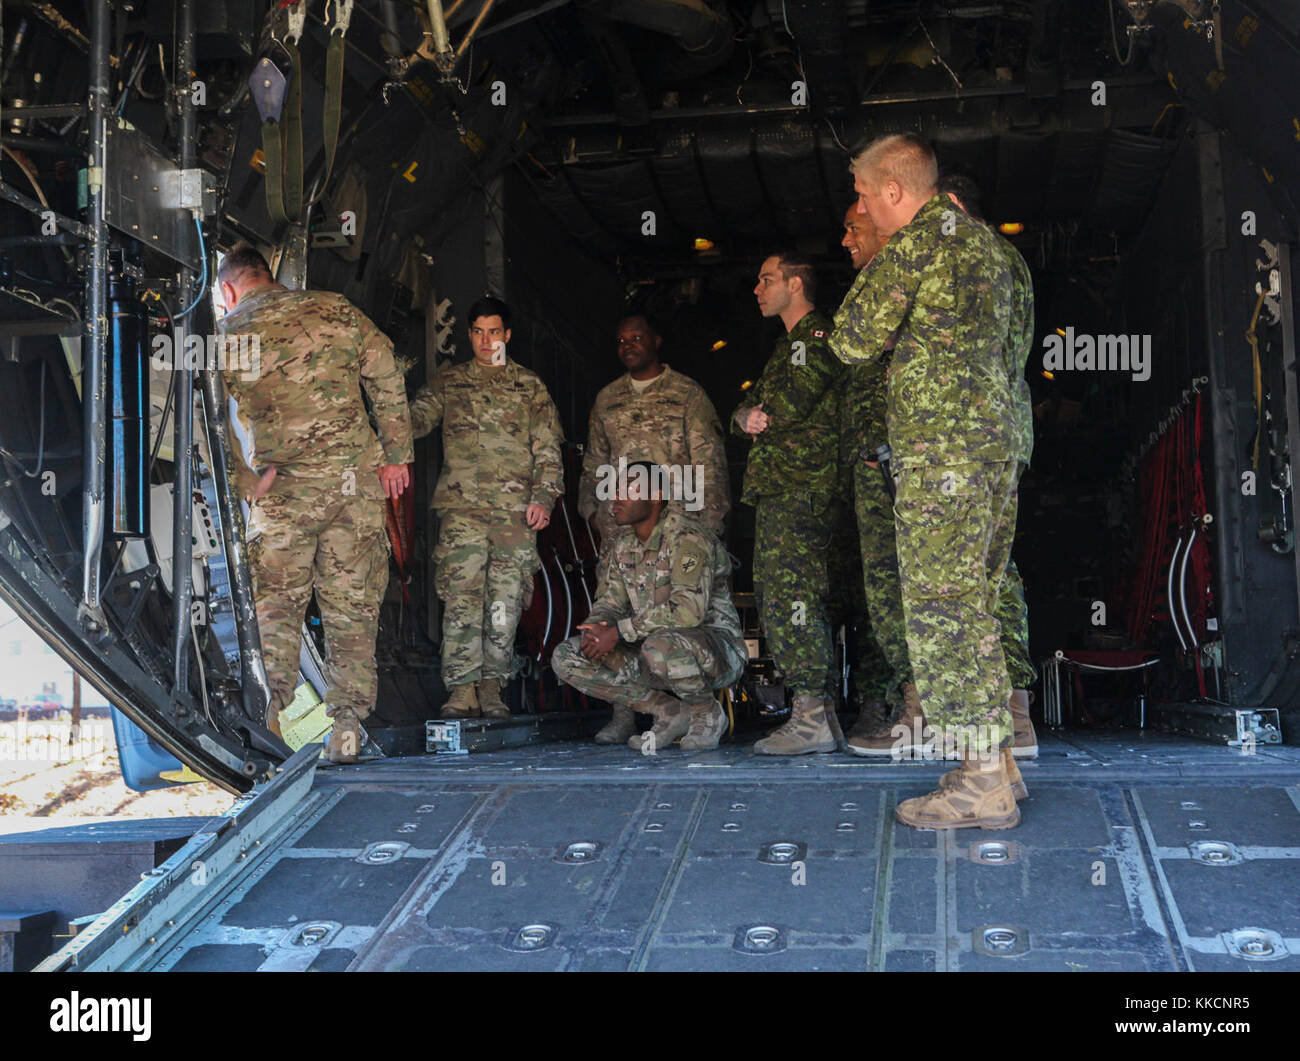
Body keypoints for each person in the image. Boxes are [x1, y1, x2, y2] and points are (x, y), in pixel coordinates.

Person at [829, 133, 1024, 830]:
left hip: (942, 457)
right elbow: (1012, 348)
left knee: (943, 610)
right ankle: (999, 762)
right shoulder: (994, 249)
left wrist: (892, 333)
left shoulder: (917, 242)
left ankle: (979, 781)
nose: (858, 210)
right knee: (977, 604)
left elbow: (849, 337)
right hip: (995, 448)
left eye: (860, 196)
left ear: (892, 190)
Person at [217, 243, 412, 764]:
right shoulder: (336, 309)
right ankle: (346, 729)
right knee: (352, 608)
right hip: (354, 488)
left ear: (228, 290)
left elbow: (210, 419)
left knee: (275, 607)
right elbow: (388, 375)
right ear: (271, 275)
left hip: (281, 494)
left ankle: (268, 718)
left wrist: (244, 482)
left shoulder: (230, 334)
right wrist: (397, 456)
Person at [577, 312, 730, 743]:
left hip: (676, 525)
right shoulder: (607, 398)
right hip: (621, 531)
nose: (628, 345)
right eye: (621, 340)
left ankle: (697, 710)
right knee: (612, 617)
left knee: (674, 616)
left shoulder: (686, 394)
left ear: (656, 341)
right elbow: (594, 461)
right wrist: (593, 511)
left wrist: (709, 525)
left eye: (637, 338)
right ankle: (627, 712)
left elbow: (708, 462)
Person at [407, 297, 563, 721]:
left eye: (493, 331)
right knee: (461, 600)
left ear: (507, 335)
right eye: (477, 331)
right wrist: (380, 411)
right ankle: (461, 690)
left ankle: (492, 686)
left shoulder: (530, 388)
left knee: (504, 603)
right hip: (463, 513)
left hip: (515, 515)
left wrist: (544, 498)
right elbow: (414, 421)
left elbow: (548, 449)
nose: (484, 339)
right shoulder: (449, 383)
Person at [937, 171, 1039, 759]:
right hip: (1002, 431)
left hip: (969, 435)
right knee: (994, 570)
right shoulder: (1010, 258)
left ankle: (996, 724)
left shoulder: (967, 257)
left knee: (967, 578)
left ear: (949, 205)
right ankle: (1015, 712)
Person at [552, 461, 746, 752]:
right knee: (567, 656)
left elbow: (687, 612)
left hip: (714, 652)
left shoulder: (687, 538)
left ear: (655, 496)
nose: (616, 498)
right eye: (615, 490)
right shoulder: (623, 546)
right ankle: (668, 711)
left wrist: (618, 632)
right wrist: (599, 628)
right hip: (650, 649)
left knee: (660, 647)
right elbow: (610, 602)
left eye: (627, 490)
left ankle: (706, 712)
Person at [732, 252, 843, 755]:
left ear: (796, 284)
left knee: (791, 599)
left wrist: (756, 415)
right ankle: (818, 716)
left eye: (766, 278)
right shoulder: (788, 346)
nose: (757, 288)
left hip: (799, 489)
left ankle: (811, 715)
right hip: (787, 489)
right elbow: (748, 410)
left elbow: (790, 402)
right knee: (786, 597)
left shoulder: (812, 340)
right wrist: (745, 414)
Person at [834, 202, 922, 756]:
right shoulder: (866, 290)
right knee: (885, 589)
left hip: (916, 462)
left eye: (852, 228)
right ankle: (914, 701)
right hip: (873, 467)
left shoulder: (912, 277)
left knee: (929, 585)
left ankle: (935, 706)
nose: (845, 240)